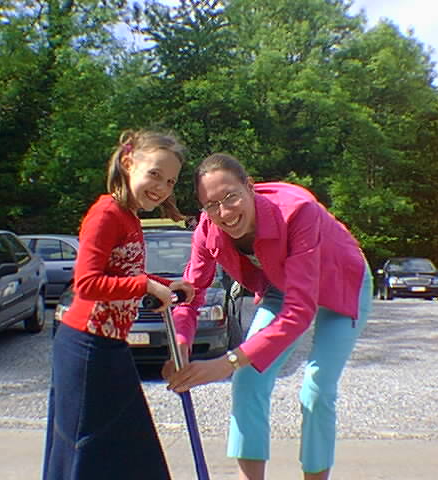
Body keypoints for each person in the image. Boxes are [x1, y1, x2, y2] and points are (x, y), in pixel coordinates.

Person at [165, 153, 373, 480]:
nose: (224, 212)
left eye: (231, 197)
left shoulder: (298, 211)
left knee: (316, 389)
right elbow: (191, 294)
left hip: (341, 282)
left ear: (250, 187)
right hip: (281, 286)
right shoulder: (207, 229)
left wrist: (226, 363)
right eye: (211, 204)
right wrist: (180, 344)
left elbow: (300, 312)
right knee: (248, 379)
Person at [42, 129, 195, 480]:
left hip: (110, 347)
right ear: (128, 163)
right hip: (86, 348)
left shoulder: (129, 216)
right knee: (87, 449)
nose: (161, 187)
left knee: (130, 445)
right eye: (155, 174)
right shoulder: (106, 213)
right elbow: (86, 284)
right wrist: (145, 285)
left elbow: (124, 273)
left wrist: (165, 286)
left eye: (170, 181)